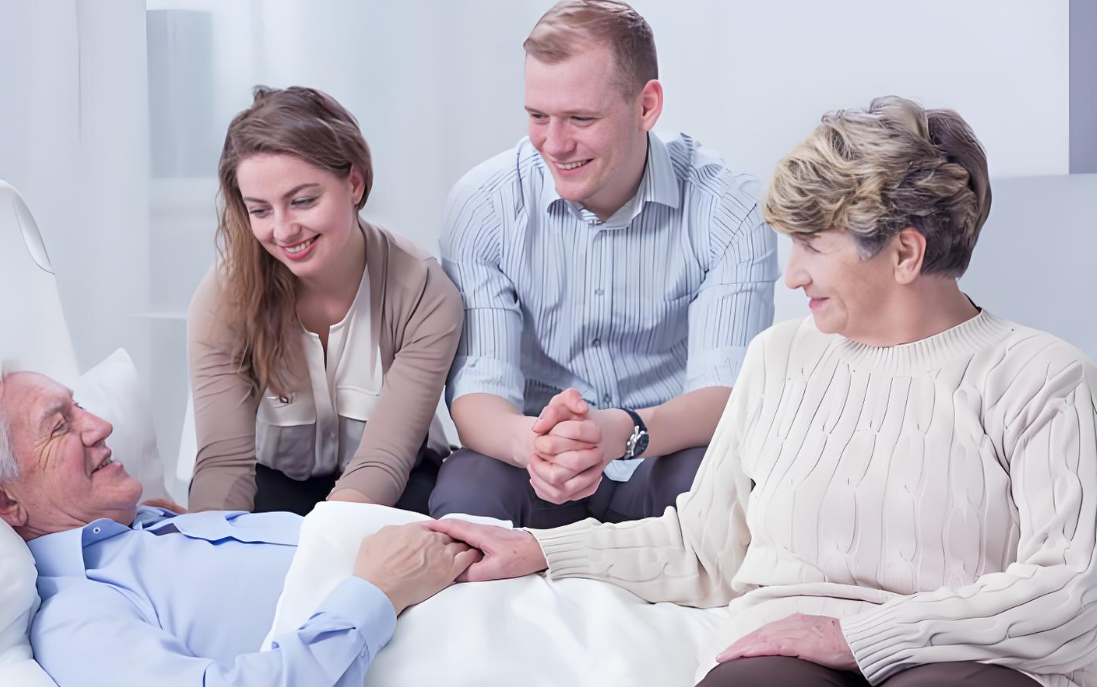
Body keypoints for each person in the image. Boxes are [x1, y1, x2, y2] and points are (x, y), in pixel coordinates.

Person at [429, 96, 1097, 687]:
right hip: (781, 651)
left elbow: (1073, 587)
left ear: (905, 254)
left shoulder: (1042, 378)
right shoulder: (780, 358)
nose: (792, 276)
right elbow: (703, 546)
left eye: (811, 245)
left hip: (969, 658)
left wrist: (856, 637)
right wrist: (541, 549)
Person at [430, 0, 778, 527]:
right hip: (536, 459)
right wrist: (535, 447)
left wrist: (619, 432)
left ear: (646, 106)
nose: (555, 143)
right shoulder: (483, 204)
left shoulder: (730, 208)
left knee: (723, 489)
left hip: (662, 448)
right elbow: (480, 391)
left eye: (581, 118)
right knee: (468, 494)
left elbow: (727, 392)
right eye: (538, 116)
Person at [0, 371, 478, 686]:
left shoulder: (156, 527)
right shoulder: (77, 616)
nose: (100, 425)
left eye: (80, 405)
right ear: (2, 497)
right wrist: (374, 594)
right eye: (60, 425)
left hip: (488, 587)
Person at [187, 86, 463, 515]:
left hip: (395, 486)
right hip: (272, 484)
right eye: (260, 210)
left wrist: (323, 548)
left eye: (302, 201)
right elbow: (223, 465)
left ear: (354, 183)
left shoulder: (423, 290)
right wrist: (215, 552)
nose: (283, 230)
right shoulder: (223, 294)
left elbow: (382, 462)